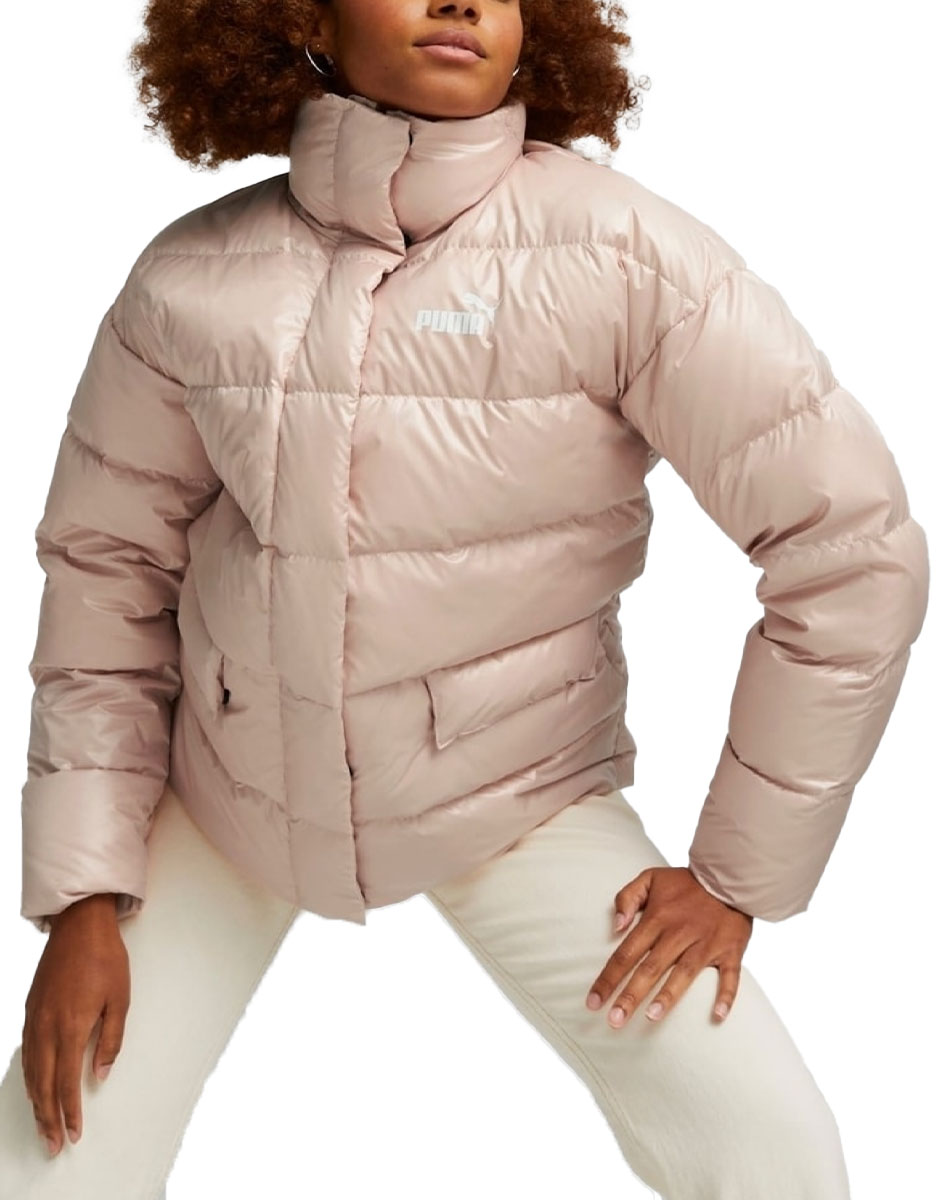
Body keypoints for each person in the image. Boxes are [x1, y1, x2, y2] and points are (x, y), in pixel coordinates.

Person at [0, 1, 930, 1197]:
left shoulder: (620, 256)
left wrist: (734, 881)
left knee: (773, 1155)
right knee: (48, 1156)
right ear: (306, 13)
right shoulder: (192, 276)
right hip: (235, 782)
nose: (460, 2)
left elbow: (850, 549)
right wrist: (85, 890)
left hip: (513, 788)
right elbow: (108, 572)